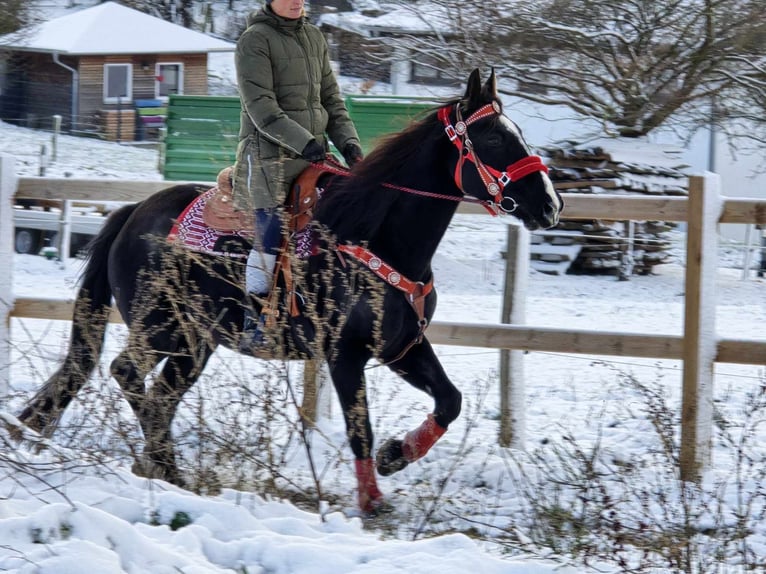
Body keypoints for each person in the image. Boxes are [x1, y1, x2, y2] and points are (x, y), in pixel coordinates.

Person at [232, 0, 364, 349]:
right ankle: (256, 317)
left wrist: (349, 145)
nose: (296, 2)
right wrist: (304, 142)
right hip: (268, 160)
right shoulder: (254, 40)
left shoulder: (314, 37)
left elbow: (332, 100)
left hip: (314, 157)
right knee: (271, 233)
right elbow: (261, 108)